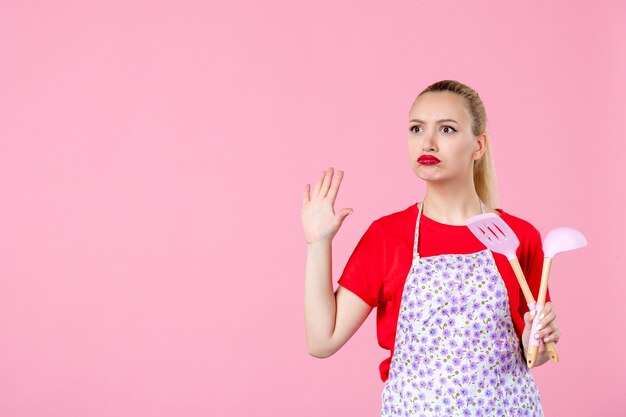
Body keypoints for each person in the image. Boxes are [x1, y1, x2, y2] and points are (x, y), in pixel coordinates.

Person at [301, 79, 561, 416]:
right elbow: (322, 341)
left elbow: (535, 354)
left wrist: (537, 343)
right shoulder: (387, 237)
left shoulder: (516, 237)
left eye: (447, 129)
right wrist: (318, 244)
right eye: (416, 128)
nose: (428, 142)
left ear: (478, 146)